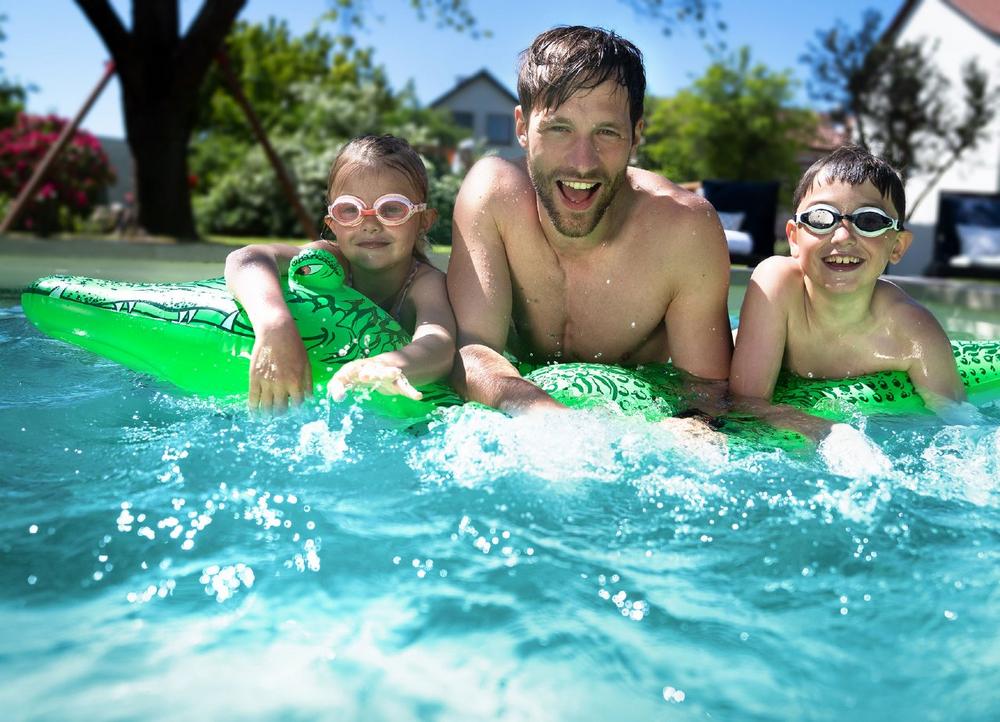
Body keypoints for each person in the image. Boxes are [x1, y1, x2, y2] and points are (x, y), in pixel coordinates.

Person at [446, 26, 733, 416]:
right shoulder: (493, 196)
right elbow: (472, 352)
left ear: (636, 135)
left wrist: (687, 430)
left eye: (607, 132)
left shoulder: (684, 230)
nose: (583, 161)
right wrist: (545, 417)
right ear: (521, 127)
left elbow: (707, 390)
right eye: (559, 128)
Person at [730, 145, 965, 438]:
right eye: (820, 218)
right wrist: (832, 434)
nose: (842, 237)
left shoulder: (914, 333)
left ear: (897, 246)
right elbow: (743, 405)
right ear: (794, 238)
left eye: (869, 221)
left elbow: (959, 424)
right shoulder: (777, 286)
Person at [224, 134, 456, 412]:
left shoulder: (424, 283)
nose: (369, 224)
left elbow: (440, 345)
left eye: (392, 209)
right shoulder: (329, 259)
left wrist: (385, 365)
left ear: (424, 221)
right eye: (350, 210)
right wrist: (275, 325)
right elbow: (246, 258)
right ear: (332, 223)